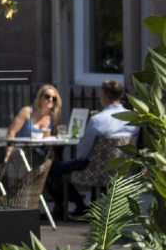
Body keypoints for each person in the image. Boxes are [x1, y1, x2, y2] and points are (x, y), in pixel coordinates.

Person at [48, 80, 138, 219]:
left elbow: (82, 153)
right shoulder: (132, 119)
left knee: (51, 168)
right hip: (121, 168)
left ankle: (77, 205)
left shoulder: (98, 120)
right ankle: (82, 206)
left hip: (95, 170)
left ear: (102, 94)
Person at [4, 83, 61, 168]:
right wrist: (8, 153)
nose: (50, 99)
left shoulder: (53, 118)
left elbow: (52, 138)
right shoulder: (27, 112)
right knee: (53, 167)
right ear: (40, 98)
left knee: (52, 164)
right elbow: (11, 132)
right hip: (21, 153)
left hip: (39, 155)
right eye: (47, 96)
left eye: (54, 98)